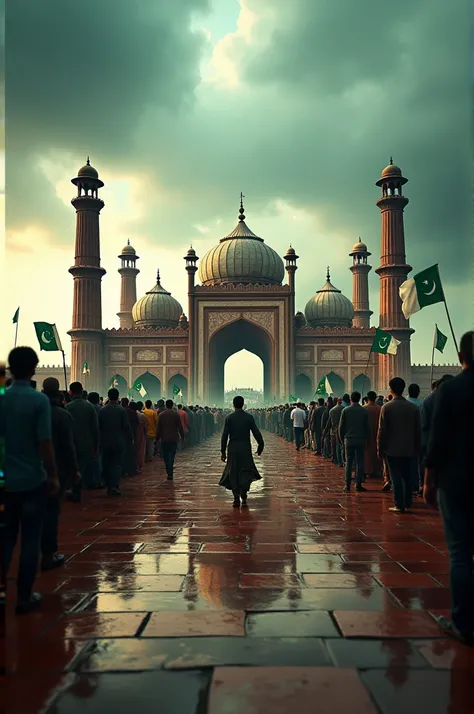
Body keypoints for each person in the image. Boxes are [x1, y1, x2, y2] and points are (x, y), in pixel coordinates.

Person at [424, 332, 473, 645]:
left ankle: (463, 622)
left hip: (456, 480)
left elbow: (437, 439)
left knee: (459, 554)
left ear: (460, 356)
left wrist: (429, 481)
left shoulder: (450, 389)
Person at [1, 347, 59, 614]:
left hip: (5, 484)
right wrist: (53, 475)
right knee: (31, 539)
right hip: (33, 480)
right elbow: (45, 443)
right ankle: (24, 596)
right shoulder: (38, 401)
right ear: (34, 368)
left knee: (5, 539)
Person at [41, 377, 80, 570]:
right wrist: (74, 471)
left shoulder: (28, 412)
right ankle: (48, 555)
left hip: (26, 471)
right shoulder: (62, 415)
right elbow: (68, 447)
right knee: (50, 512)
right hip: (55, 471)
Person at [377, 377, 421, 513]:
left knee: (395, 476)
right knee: (407, 476)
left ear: (390, 389)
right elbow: (418, 430)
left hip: (392, 449)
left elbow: (381, 431)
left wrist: (380, 448)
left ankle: (399, 504)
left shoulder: (387, 407)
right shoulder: (413, 407)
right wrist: (417, 447)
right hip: (409, 448)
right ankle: (408, 502)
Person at [220, 395, 264, 507]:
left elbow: (225, 435)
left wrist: (223, 451)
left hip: (233, 447)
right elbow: (255, 432)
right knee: (246, 469)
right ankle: (243, 495)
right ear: (243, 404)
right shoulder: (248, 417)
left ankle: (236, 497)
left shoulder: (229, 418)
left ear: (233, 405)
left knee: (233, 470)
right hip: (245, 447)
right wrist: (260, 445)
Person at [66, 381, 99, 500]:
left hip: (71, 443)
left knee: (73, 468)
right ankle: (79, 489)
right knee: (82, 467)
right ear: (82, 391)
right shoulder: (89, 406)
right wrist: (96, 445)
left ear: (70, 392)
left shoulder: (67, 407)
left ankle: (75, 490)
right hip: (86, 443)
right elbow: (95, 428)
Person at [98, 388, 132, 496]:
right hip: (118, 442)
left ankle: (109, 485)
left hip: (105, 442)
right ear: (118, 397)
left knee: (107, 464)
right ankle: (114, 486)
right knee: (117, 464)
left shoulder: (102, 410)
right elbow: (126, 426)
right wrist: (130, 438)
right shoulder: (121, 410)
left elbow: (98, 427)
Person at [338, 391, 369, 493]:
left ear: (350, 399)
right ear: (359, 399)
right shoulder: (364, 411)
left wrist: (342, 440)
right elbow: (368, 428)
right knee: (360, 463)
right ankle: (358, 485)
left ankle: (347, 485)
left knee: (349, 462)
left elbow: (341, 427)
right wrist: (367, 440)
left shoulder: (345, 410)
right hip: (360, 439)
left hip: (349, 439)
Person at [156, 399, 184, 479]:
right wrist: (182, 436)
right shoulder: (176, 415)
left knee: (165, 455)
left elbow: (159, 428)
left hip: (164, 438)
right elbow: (180, 427)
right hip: (174, 438)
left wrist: (157, 438)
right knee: (172, 455)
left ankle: (168, 470)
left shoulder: (161, 415)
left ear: (166, 405)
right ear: (172, 405)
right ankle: (170, 470)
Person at [364, 390, 382, 480]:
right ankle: (376, 470)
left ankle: (367, 470)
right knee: (376, 453)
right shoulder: (380, 408)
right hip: (377, 434)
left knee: (367, 454)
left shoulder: (364, 408)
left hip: (366, 435)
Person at [134, 401, 148, 471]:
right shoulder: (142, 415)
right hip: (140, 434)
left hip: (132, 434)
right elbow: (146, 425)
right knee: (140, 450)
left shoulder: (129, 413)